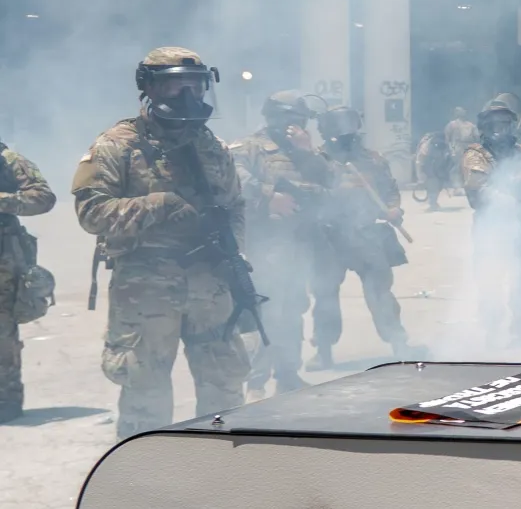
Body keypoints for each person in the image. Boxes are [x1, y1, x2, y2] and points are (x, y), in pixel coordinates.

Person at [73, 47, 252, 436]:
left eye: (195, 84)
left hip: (209, 281)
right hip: (146, 287)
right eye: (175, 84)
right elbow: (91, 212)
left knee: (225, 386)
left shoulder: (212, 145)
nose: (187, 94)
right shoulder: (117, 145)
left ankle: (225, 472)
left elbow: (235, 205)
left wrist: (230, 247)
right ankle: (144, 480)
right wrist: (159, 205)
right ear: (150, 88)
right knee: (145, 391)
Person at [232, 92, 336, 395]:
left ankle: (288, 374)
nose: (295, 126)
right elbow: (232, 181)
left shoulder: (304, 149)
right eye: (290, 119)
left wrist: (307, 152)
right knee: (268, 311)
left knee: (293, 308)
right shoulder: (249, 147)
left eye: (300, 121)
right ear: (273, 118)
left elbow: (330, 179)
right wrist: (269, 197)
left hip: (301, 244)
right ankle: (256, 381)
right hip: (264, 246)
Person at [309, 105, 414, 368]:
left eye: (349, 123)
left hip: (366, 235)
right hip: (329, 236)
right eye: (337, 125)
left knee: (379, 292)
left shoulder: (373, 159)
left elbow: (390, 190)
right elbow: (309, 194)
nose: (345, 132)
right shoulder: (315, 161)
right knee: (325, 295)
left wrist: (394, 208)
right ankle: (323, 350)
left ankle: (398, 342)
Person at [460, 97, 521, 343]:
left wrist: (515, 179)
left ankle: (520, 323)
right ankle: (492, 331)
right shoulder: (475, 154)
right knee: (491, 277)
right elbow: (479, 188)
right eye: (493, 124)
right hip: (493, 228)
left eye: (504, 123)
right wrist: (512, 197)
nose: (499, 129)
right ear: (485, 127)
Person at [0, 135, 56, 423]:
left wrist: (2, 201)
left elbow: (43, 197)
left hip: (3, 266)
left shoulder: (9, 161)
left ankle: (6, 401)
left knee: (2, 334)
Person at [413, 129, 455, 210]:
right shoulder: (426, 147)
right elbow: (419, 161)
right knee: (432, 183)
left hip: (440, 167)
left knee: (439, 184)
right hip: (428, 167)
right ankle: (432, 203)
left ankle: (433, 200)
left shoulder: (446, 145)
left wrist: (447, 172)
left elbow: (450, 158)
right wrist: (420, 174)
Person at [443, 106, 478, 183]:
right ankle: (456, 185)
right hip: (457, 147)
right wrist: (451, 149)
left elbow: (477, 137)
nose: (463, 112)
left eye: (463, 111)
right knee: (458, 166)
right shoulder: (452, 124)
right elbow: (447, 139)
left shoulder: (471, 125)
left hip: (469, 148)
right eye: (460, 111)